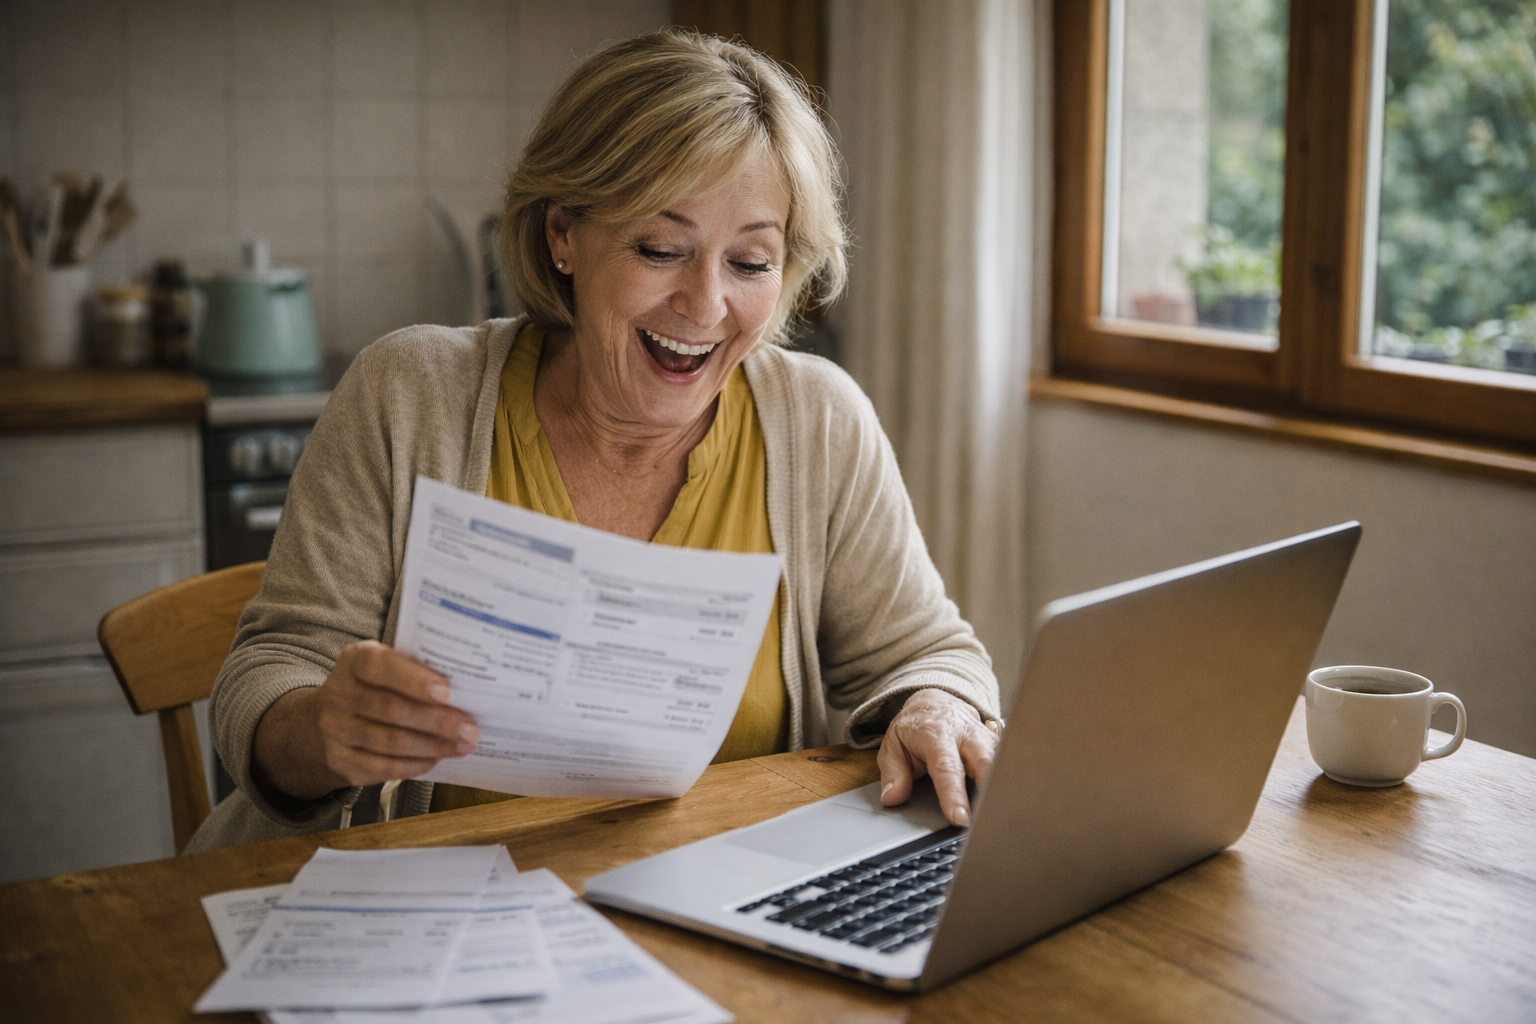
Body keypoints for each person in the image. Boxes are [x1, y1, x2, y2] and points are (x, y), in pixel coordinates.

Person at [189, 30, 1001, 853]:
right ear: (562, 236)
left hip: (703, 917)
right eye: (659, 249)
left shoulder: (819, 420)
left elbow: (930, 652)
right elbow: (268, 673)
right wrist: (321, 729)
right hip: (420, 914)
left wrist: (938, 703)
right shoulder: (410, 393)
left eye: (750, 262)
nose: (705, 304)